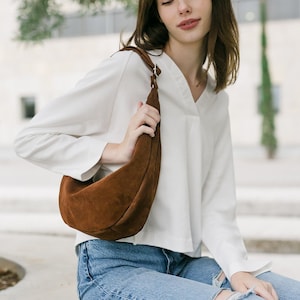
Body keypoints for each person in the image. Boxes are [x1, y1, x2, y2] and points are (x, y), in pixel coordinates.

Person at [14, 0, 300, 299]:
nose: (183, 7)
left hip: (183, 264)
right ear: (158, 13)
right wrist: (115, 150)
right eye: (167, 1)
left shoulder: (215, 98)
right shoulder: (129, 68)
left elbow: (214, 205)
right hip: (114, 265)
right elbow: (32, 138)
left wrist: (238, 269)